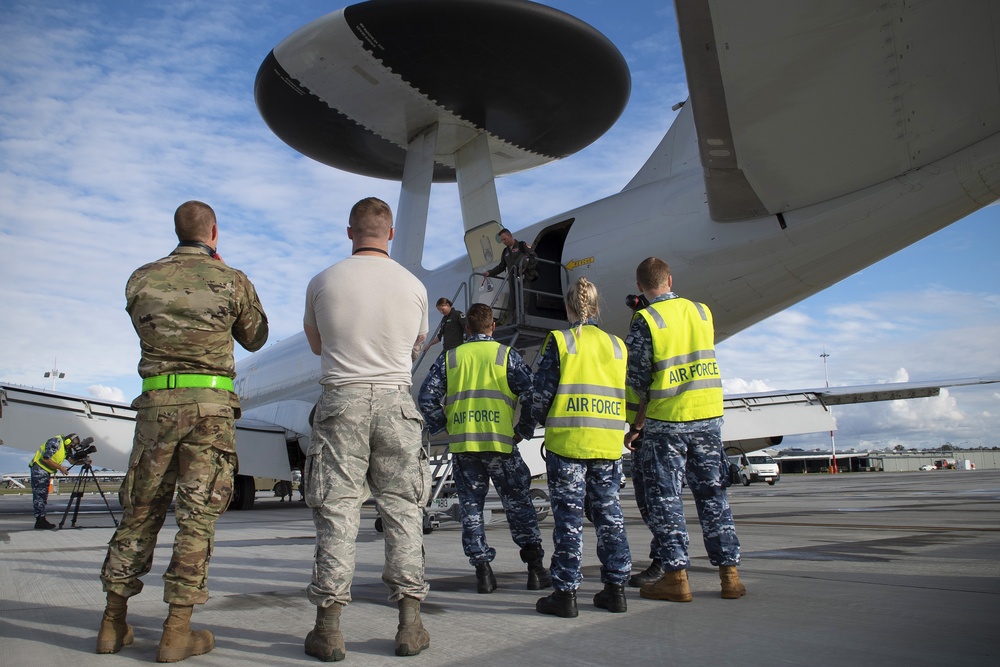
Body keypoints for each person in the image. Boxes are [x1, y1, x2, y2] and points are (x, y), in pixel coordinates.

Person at [97, 200, 269, 661]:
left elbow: (145, 324)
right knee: (197, 517)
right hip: (209, 409)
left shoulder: (142, 278)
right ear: (213, 233)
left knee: (140, 511)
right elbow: (255, 337)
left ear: (177, 230)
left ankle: (112, 624)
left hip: (156, 407)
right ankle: (176, 632)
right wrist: (226, 275)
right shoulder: (230, 280)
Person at [302, 196, 431, 661]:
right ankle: (410, 626)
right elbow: (416, 346)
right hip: (397, 401)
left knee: (338, 510)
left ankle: (329, 629)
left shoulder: (323, 281)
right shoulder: (414, 287)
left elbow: (318, 343)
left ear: (350, 231)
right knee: (403, 511)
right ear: (390, 233)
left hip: (342, 400)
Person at [623, 257, 745, 603]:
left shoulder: (645, 320)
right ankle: (729, 577)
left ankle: (676, 579)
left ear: (639, 287)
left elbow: (636, 380)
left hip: (668, 423)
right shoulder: (702, 312)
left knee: (666, 499)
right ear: (670, 279)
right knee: (714, 497)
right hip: (708, 418)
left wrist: (635, 426)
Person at [417, 302, 551, 594]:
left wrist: (444, 426)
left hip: (465, 447)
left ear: (466, 329)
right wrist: (524, 429)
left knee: (471, 509)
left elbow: (426, 397)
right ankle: (535, 569)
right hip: (501, 444)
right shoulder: (506, 355)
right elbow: (532, 394)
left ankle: (483, 573)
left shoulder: (451, 358)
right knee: (518, 505)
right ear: (493, 327)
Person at [529, 277, 631, 618]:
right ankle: (616, 590)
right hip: (607, 443)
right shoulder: (617, 345)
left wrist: (532, 420)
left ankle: (566, 594)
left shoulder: (561, 341)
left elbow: (541, 394)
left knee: (569, 522)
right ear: (597, 306)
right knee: (609, 518)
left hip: (569, 443)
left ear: (570, 307)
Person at [484, 228, 537, 324]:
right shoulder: (505, 252)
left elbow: (533, 257)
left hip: (523, 277)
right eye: (502, 240)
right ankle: (516, 319)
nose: (503, 242)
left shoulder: (522, 245)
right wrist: (490, 273)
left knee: (523, 299)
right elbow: (501, 266)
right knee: (514, 300)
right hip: (512, 278)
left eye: (504, 239)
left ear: (510, 236)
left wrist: (525, 269)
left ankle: (523, 319)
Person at [28, 433, 75, 529]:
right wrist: (60, 468)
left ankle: (41, 519)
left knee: (43, 495)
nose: (71, 448)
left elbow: (72, 461)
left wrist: (83, 459)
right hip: (39, 469)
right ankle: (40, 520)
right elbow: (46, 459)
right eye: (71, 445)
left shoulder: (65, 448)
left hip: (45, 471)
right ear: (68, 441)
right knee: (39, 495)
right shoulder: (56, 442)